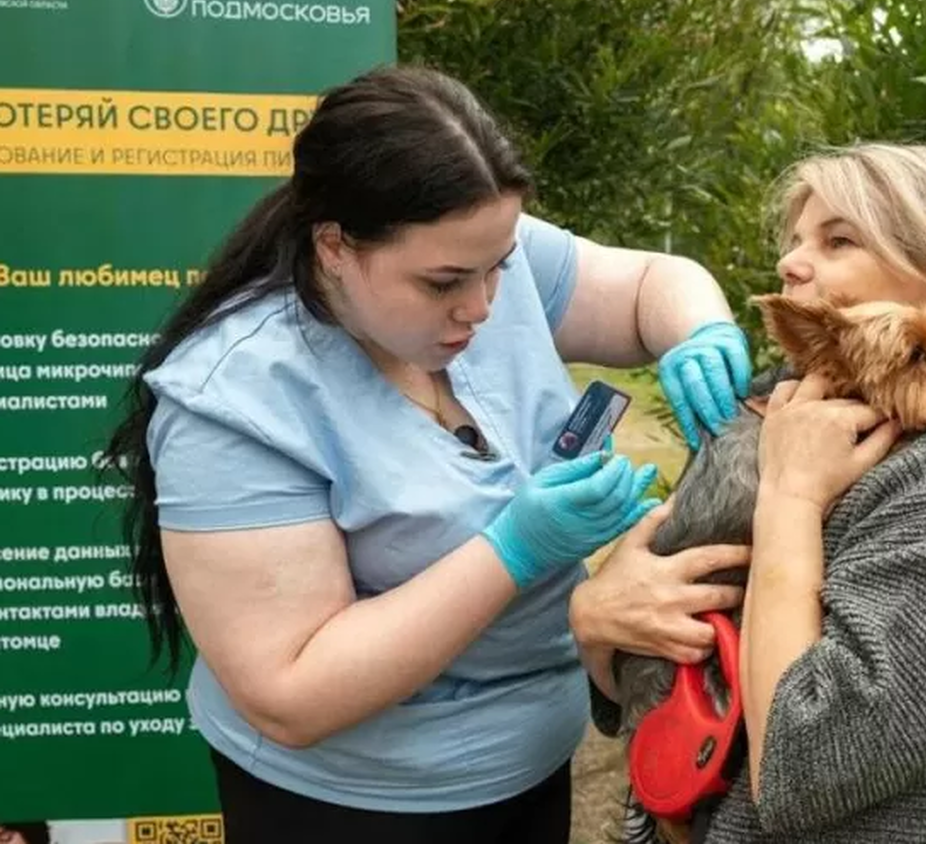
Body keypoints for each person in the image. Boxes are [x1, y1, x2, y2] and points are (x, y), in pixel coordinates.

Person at [103, 63, 754, 844]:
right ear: (334, 246)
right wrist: (513, 550)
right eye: (443, 283)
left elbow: (651, 281)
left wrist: (700, 329)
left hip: (530, 768)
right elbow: (291, 693)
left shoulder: (477, 253)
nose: (481, 306)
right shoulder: (238, 397)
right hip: (352, 807)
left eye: (498, 267)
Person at [570, 142, 926, 842]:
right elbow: (656, 673)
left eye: (837, 240)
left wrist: (791, 500)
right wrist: (597, 624)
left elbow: (803, 772)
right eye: (795, 240)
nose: (790, 262)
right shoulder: (768, 413)